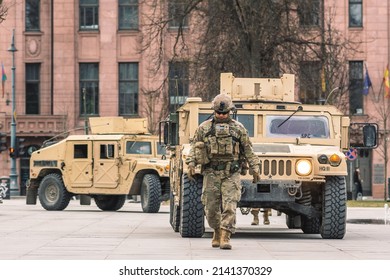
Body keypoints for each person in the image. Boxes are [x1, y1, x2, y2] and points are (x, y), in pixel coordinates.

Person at [186, 93, 260, 250]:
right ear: (214, 111)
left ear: (230, 112)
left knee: (230, 205)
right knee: (211, 207)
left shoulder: (238, 129)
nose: (221, 115)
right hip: (211, 173)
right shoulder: (204, 128)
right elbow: (194, 147)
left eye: (224, 113)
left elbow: (248, 150)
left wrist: (255, 167)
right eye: (218, 113)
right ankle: (217, 230)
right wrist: (191, 163)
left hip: (231, 173)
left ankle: (225, 235)